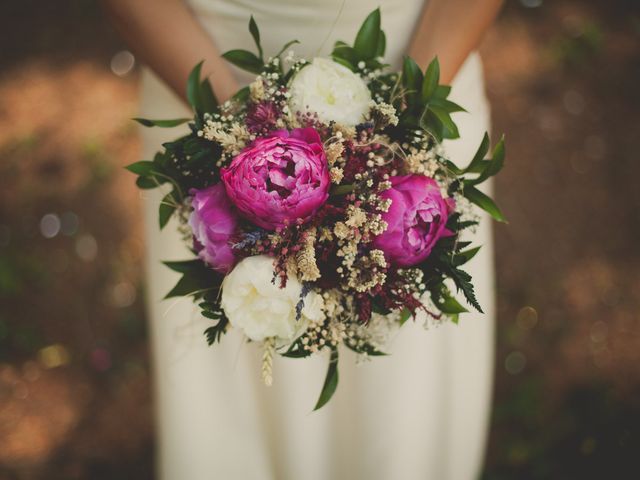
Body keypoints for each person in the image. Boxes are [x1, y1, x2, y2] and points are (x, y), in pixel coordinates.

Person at [102, 1, 504, 478]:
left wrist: (400, 131)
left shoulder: (407, 142)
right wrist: (244, 145)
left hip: (428, 70)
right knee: (236, 389)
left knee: (400, 397)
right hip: (196, 75)